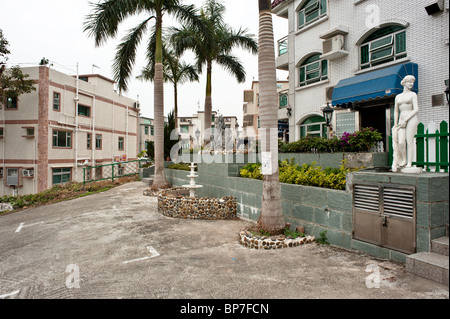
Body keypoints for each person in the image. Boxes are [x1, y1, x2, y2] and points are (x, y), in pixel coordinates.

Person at [392, 75, 419, 172]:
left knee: (409, 140)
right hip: (401, 119)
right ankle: (403, 158)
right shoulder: (398, 97)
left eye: (413, 82)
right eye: (410, 82)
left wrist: (406, 120)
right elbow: (396, 111)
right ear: (404, 82)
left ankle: (409, 162)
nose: (411, 84)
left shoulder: (413, 95)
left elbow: (416, 109)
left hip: (411, 118)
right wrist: (395, 123)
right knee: (401, 142)